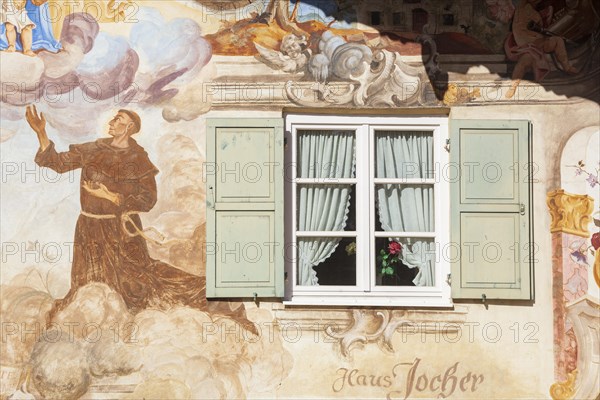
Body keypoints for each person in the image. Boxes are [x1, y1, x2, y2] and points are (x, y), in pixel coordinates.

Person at [25, 105, 254, 330]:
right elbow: (57, 162)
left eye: (118, 119)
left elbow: (147, 199)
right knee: (87, 284)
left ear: (129, 127)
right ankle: (96, 327)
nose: (112, 122)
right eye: (114, 118)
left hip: (122, 231)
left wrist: (112, 196)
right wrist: (41, 132)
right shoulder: (94, 149)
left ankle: (214, 299)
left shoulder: (138, 158)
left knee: (137, 283)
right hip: (89, 229)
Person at [505, 0, 577, 98]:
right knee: (524, 62)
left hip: (539, 43)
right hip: (527, 46)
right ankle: (513, 88)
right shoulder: (521, 9)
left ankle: (567, 67)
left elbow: (541, 31)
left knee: (558, 40)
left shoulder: (536, 13)